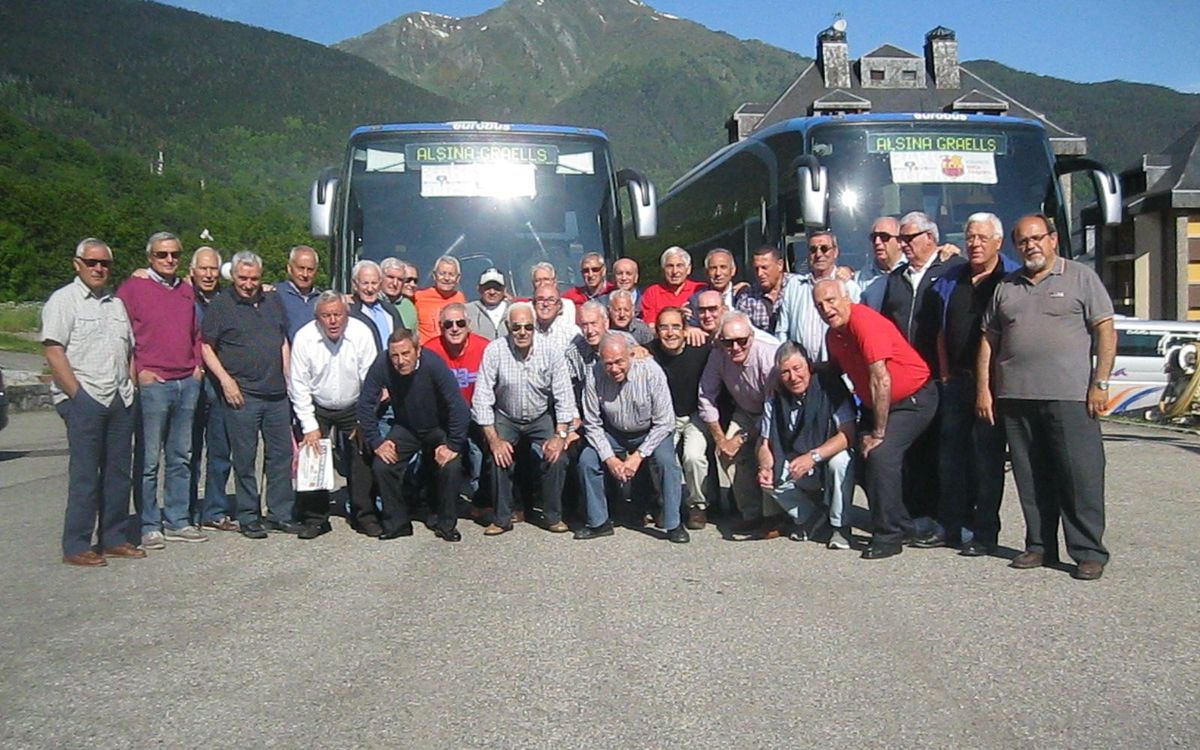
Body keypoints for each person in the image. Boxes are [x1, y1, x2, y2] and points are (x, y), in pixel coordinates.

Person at [977, 214, 1114, 581]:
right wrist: (984, 389)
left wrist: (1100, 382)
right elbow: (988, 340)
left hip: (1070, 397)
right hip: (1015, 398)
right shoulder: (1006, 286)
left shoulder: (1081, 277)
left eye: (1037, 238)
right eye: (1023, 241)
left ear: (1053, 239)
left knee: (1079, 476)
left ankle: (1087, 552)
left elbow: (1105, 330)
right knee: (1031, 477)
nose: (1031, 246)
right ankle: (1039, 545)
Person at [815, 278, 937, 560]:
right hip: (877, 404)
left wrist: (879, 432)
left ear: (847, 299)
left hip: (913, 399)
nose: (827, 309)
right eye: (820, 305)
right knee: (857, 460)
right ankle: (903, 524)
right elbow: (835, 367)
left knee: (881, 455)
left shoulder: (864, 323)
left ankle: (888, 536)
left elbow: (881, 379)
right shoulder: (833, 335)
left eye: (831, 301)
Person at [42, 238, 143, 566]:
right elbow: (54, 350)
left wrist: (129, 385)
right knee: (85, 474)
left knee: (118, 473)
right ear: (77, 264)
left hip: (118, 397)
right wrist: (78, 395)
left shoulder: (115, 304)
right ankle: (76, 544)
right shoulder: (64, 301)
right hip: (85, 397)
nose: (99, 269)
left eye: (105, 264)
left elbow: (127, 348)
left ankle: (114, 537)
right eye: (92, 262)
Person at [930, 213, 1020, 554]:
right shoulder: (953, 278)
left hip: (994, 387)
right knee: (950, 460)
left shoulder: (1010, 279)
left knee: (987, 462)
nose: (975, 244)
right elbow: (940, 329)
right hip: (956, 383)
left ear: (998, 242)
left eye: (983, 238)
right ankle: (952, 526)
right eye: (970, 237)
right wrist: (944, 373)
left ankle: (985, 534)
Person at [201, 251, 300, 539]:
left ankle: (280, 513)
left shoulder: (272, 300)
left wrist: (288, 376)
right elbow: (206, 346)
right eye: (243, 278)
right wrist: (226, 382)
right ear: (233, 276)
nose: (248, 284)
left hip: (276, 394)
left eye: (254, 278)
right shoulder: (221, 305)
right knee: (245, 457)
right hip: (242, 394)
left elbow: (282, 339)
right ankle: (248, 515)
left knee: (280, 456)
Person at [117, 231, 206, 548]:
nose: (169, 260)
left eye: (174, 254)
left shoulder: (185, 289)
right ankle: (149, 523)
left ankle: (178, 520)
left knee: (182, 456)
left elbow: (195, 332)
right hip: (154, 383)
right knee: (149, 459)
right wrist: (138, 371)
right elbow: (121, 333)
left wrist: (197, 367)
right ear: (149, 257)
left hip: (186, 380)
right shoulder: (133, 288)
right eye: (161, 255)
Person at [882, 211, 965, 531]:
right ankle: (915, 515)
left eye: (908, 239)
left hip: (939, 375)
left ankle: (948, 518)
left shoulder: (952, 271)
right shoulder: (896, 279)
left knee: (944, 450)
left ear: (930, 238)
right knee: (910, 449)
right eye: (900, 239)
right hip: (904, 380)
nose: (903, 245)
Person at [472, 302, 576, 535]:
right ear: (508, 327)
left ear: (535, 327)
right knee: (498, 456)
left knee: (557, 457)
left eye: (528, 327)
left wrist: (560, 436)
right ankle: (502, 518)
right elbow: (482, 398)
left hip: (541, 416)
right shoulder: (495, 350)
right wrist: (494, 440)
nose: (522, 332)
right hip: (506, 415)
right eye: (516, 327)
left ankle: (552, 516)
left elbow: (564, 397)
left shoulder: (551, 351)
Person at [357, 328, 470, 542]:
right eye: (395, 355)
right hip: (407, 427)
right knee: (383, 465)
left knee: (451, 466)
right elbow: (365, 403)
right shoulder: (382, 363)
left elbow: (458, 406)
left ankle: (446, 524)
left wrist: (453, 445)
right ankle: (397, 523)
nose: (400, 361)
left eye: (405, 353)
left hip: (438, 427)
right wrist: (377, 441)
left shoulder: (433, 365)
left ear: (418, 350)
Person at [576, 334, 688, 543]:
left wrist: (637, 457)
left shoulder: (651, 371)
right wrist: (610, 459)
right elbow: (592, 423)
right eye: (608, 364)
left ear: (630, 356)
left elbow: (665, 421)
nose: (615, 369)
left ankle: (674, 523)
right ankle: (599, 522)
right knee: (587, 461)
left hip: (651, 430)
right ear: (601, 360)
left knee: (667, 462)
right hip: (614, 431)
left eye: (620, 362)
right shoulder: (594, 375)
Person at [288, 291, 379, 539]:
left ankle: (364, 515)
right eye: (326, 315)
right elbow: (298, 384)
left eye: (338, 314)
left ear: (346, 314)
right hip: (318, 405)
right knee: (313, 457)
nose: (333, 321)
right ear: (318, 317)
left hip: (354, 404)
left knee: (362, 457)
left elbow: (370, 381)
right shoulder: (304, 337)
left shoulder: (361, 333)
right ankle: (315, 518)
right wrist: (309, 426)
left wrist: (364, 419)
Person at [756, 342, 857, 550]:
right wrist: (765, 467)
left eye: (797, 368)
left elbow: (848, 434)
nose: (793, 377)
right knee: (770, 476)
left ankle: (840, 526)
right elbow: (765, 443)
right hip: (795, 458)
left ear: (809, 366)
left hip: (826, 454)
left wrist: (813, 456)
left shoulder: (830, 387)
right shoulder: (774, 396)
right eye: (785, 372)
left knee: (841, 462)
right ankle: (812, 517)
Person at [698, 312, 782, 534]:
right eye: (728, 342)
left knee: (763, 453)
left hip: (772, 413)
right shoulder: (718, 356)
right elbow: (706, 396)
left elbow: (773, 408)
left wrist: (742, 438)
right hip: (745, 411)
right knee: (726, 454)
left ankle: (772, 516)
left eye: (741, 341)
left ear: (751, 337)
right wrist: (721, 439)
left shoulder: (769, 357)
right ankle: (751, 513)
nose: (735, 347)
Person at [648, 307, 712, 530]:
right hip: (667, 418)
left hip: (695, 415)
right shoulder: (650, 352)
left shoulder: (700, 349)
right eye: (664, 327)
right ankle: (667, 503)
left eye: (676, 326)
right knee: (661, 459)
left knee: (693, 457)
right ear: (656, 332)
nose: (670, 333)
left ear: (685, 330)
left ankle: (698, 505)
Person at [187, 247, 236, 532]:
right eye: (203, 269)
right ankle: (188, 509)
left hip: (218, 383)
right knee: (188, 450)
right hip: (191, 379)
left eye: (213, 269)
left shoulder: (225, 299)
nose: (208, 274)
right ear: (192, 271)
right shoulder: (181, 296)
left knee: (220, 450)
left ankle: (215, 509)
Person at [776, 231, 860, 363]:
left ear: (835, 252)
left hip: (839, 369)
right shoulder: (794, 286)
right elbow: (782, 330)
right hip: (802, 371)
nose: (819, 254)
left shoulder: (849, 287)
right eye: (813, 249)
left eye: (825, 249)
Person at [348, 260, 406, 353]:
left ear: (380, 284)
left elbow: (402, 339)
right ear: (355, 285)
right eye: (365, 283)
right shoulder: (349, 312)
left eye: (374, 283)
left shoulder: (390, 310)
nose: (370, 289)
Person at [736, 246, 796, 333]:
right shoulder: (747, 298)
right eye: (756, 269)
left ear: (780, 265)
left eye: (764, 268)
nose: (760, 273)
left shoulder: (798, 287)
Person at [640, 246, 704, 325]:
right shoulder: (652, 293)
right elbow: (650, 327)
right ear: (663, 270)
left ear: (688, 269)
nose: (675, 271)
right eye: (670, 266)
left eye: (679, 266)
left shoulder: (700, 290)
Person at [414, 255, 467, 344]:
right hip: (426, 352)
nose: (446, 278)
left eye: (451, 274)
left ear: (458, 278)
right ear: (434, 275)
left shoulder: (461, 299)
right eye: (442, 274)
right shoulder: (418, 297)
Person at [277, 245, 322, 341]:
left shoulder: (322, 300)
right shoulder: (275, 295)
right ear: (289, 269)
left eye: (310, 270)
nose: (305, 274)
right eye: (301, 268)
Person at [857, 217, 904, 310]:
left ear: (900, 241)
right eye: (874, 237)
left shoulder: (911, 270)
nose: (877, 242)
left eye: (884, 237)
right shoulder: (863, 276)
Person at [531, 282, 576, 355]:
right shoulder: (526, 331)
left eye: (551, 300)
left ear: (559, 306)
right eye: (540, 299)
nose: (545, 304)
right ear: (533, 304)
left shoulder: (571, 333)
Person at [465, 268, 510, 340]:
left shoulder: (515, 310)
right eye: (487, 287)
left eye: (497, 288)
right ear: (479, 289)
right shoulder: (467, 311)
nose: (492, 292)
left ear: (504, 290)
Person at [380, 257, 419, 331]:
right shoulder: (372, 302)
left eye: (400, 279)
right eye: (390, 277)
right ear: (380, 278)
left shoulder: (408, 306)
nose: (395, 283)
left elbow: (413, 337)